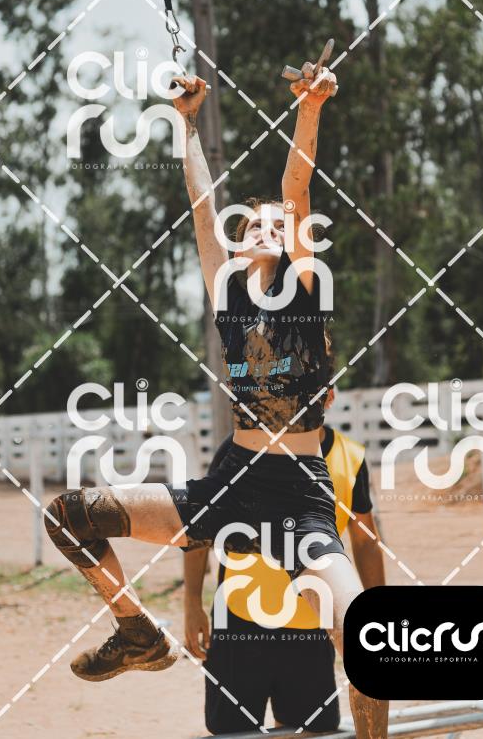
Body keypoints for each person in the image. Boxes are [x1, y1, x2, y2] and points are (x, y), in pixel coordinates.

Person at [44, 57, 388, 739]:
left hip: (300, 498)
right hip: (233, 485)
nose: (263, 229)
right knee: (67, 517)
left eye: (276, 227)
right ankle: (136, 633)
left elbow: (296, 187)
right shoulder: (229, 296)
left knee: (362, 638)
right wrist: (187, 122)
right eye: (253, 225)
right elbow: (203, 207)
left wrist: (309, 108)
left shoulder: (305, 291)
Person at [184, 404, 386, 734]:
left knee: (310, 731)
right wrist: (192, 602)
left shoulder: (351, 457)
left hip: (312, 626)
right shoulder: (240, 447)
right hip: (240, 622)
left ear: (328, 396)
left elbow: (365, 541)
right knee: (232, 734)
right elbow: (199, 523)